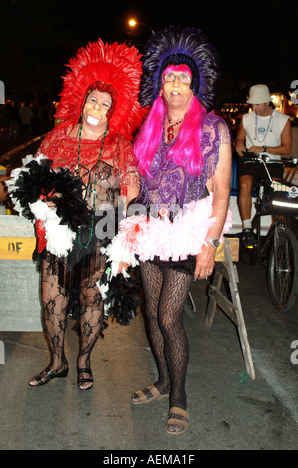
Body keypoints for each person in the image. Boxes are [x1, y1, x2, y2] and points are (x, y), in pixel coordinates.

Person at [109, 26, 232, 434]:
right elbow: (139, 185)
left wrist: (210, 244)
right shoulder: (150, 126)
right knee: (151, 312)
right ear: (160, 85)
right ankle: (162, 381)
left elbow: (219, 195)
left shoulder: (214, 129)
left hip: (186, 232)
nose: (175, 84)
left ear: (194, 84)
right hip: (151, 229)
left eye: (182, 77)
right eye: (168, 77)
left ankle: (179, 396)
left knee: (168, 316)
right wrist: (127, 231)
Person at [8, 38, 145, 389]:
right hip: (60, 230)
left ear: (114, 111)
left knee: (91, 296)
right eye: (93, 100)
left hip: (102, 229)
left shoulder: (118, 145)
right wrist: (44, 200)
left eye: (105, 104)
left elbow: (132, 192)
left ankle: (84, 362)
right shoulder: (56, 138)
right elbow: (32, 180)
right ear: (81, 100)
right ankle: (58, 362)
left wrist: (126, 239)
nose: (97, 108)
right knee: (51, 297)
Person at [235, 84, 292, 247]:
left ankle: (279, 229)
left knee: (275, 189)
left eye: (257, 104)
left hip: (272, 161)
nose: (254, 107)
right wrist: (239, 144)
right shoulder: (247, 119)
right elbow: (240, 138)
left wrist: (264, 148)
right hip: (251, 160)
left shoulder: (283, 120)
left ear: (267, 102)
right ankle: (247, 228)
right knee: (245, 183)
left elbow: (287, 148)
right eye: (252, 104)